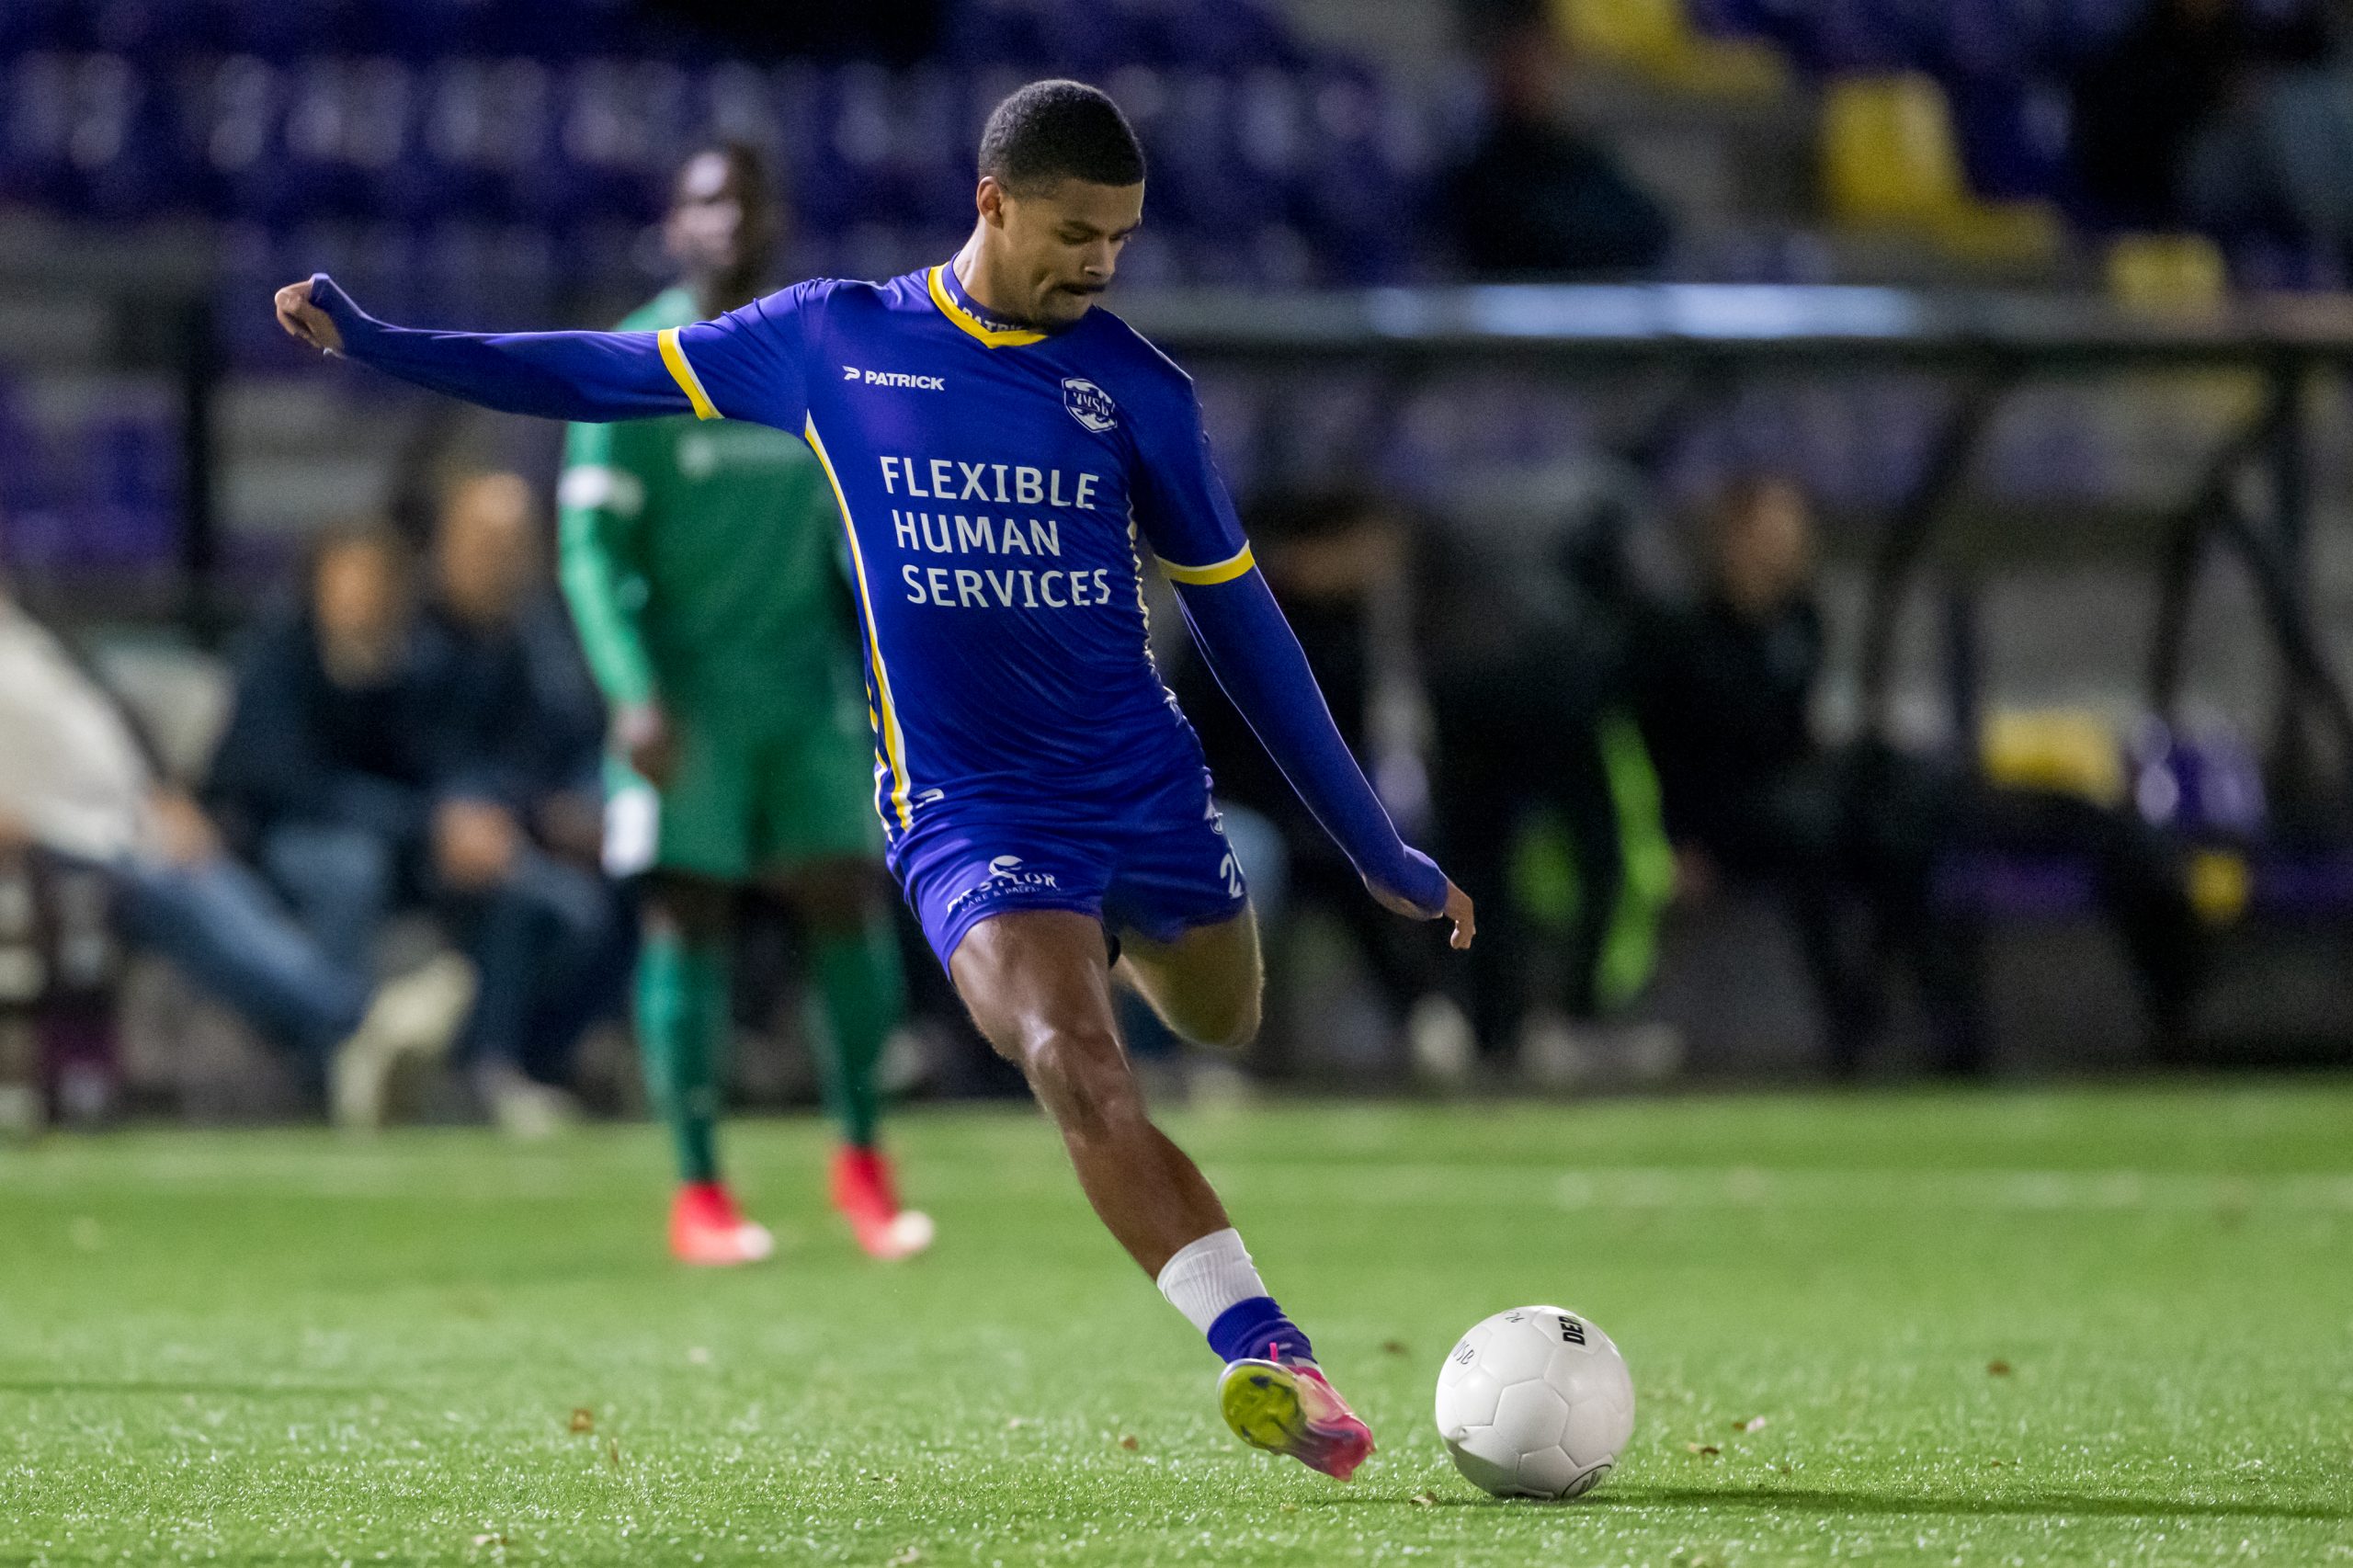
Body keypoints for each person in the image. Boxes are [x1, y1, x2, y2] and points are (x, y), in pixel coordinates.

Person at [274, 79, 1472, 1482]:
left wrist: (1375, 844)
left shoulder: (1137, 388)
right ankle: (1270, 1354)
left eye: (1121, 239)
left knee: (1219, 1016)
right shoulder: (833, 339)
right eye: (1075, 231)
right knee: (1069, 1060)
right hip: (969, 808)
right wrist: (378, 341)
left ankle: (1131, 945)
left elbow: (1244, 625)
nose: (1099, 261)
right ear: (992, 202)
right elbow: (592, 372)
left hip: (1139, 788)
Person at [558, 143, 930, 1266]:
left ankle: (863, 1164)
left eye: (750, 200)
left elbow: (855, 537)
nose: (732, 220)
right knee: (690, 911)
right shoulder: (636, 363)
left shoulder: (813, 358)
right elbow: (586, 550)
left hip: (802, 688)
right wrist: (630, 691)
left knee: (845, 900)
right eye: (708, 199)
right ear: (674, 224)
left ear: (775, 223)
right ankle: (698, 1187)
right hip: (685, 694)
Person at [1633, 475, 2202, 1075]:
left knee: (1912, 812)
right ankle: (1874, 1025)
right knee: (1837, 837)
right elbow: (1661, 752)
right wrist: (1677, 840)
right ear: (1734, 539)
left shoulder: (1800, 618)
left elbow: (1794, 732)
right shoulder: (1682, 637)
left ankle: (1942, 1025)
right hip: (1746, 819)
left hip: (1813, 802)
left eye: (1792, 532)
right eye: (1771, 533)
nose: (1787, 548)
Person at [0, 562, 472, 1107]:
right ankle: (358, 1023)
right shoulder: (282, 649)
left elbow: (116, 727)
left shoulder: (39, 638)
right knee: (189, 895)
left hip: (135, 827)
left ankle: (341, 1053)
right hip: (64, 849)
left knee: (256, 891)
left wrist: (166, 795)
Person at [207, 517, 616, 1131]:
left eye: (379, 587)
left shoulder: (418, 666)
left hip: (402, 841)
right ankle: (340, 1055)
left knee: (537, 894)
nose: (365, 602)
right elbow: (286, 784)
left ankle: (483, 1066)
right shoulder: (278, 659)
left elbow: (447, 768)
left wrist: (472, 823)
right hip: (279, 838)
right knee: (347, 872)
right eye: (351, 586)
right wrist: (427, 825)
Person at [415, 471, 626, 1133]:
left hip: (538, 827)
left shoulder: (547, 635)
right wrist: (449, 816)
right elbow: (407, 752)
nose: (500, 562)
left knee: (644, 881)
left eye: (514, 546)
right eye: (484, 544)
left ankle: (558, 1060)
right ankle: (486, 1066)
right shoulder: (420, 640)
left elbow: (581, 737)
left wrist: (589, 807)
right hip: (427, 838)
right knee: (534, 897)